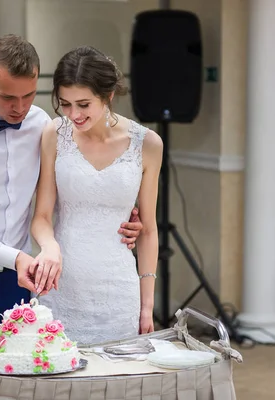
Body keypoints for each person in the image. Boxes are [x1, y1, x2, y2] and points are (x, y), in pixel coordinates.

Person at [0, 35, 142, 371]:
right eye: (8, 97)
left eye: (28, 95)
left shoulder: (43, 125)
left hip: (16, 282)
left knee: (22, 380)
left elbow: (69, 187)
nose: (20, 108)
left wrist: (122, 216)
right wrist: (20, 257)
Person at [30, 46, 163, 345]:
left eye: (84, 104)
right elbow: (41, 216)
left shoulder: (148, 144)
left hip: (118, 287)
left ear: (109, 95)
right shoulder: (55, 134)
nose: (74, 114)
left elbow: (149, 230)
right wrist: (49, 246)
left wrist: (147, 305)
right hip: (60, 282)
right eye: (65, 104)